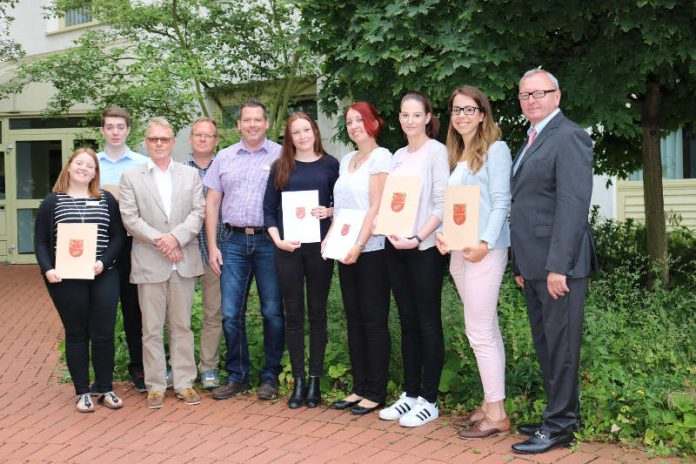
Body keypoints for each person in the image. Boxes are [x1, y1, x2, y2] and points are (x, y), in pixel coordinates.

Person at [509, 69, 597, 454]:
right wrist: (520, 265)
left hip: (559, 266)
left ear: (556, 97)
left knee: (562, 347)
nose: (531, 100)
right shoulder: (531, 139)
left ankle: (559, 426)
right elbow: (525, 206)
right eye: (525, 94)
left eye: (539, 93)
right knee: (547, 344)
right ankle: (561, 416)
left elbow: (571, 206)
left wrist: (558, 266)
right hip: (534, 265)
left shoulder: (570, 136)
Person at [435, 86, 512, 438]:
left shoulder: (496, 150)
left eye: (469, 109)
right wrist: (445, 236)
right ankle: (488, 403)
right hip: (460, 254)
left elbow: (501, 203)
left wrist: (485, 243)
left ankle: (497, 414)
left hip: (485, 252)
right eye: (455, 110)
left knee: (479, 332)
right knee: (486, 329)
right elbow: (459, 209)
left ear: (483, 113)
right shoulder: (459, 155)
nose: (461, 115)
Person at [119, 117, 205, 409]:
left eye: (164, 139)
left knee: (182, 326)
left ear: (172, 142)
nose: (159, 143)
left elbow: (197, 213)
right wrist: (162, 240)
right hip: (149, 261)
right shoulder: (132, 177)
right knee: (151, 329)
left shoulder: (190, 175)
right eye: (153, 139)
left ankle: (183, 383)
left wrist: (175, 239)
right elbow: (130, 219)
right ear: (145, 141)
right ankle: (155, 385)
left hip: (182, 260)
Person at [204, 101, 285, 401]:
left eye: (257, 120)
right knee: (229, 314)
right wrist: (213, 245)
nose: (252, 125)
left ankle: (270, 376)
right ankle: (238, 375)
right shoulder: (223, 158)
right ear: (238, 125)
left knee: (273, 311)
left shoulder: (281, 155)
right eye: (246, 120)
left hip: (269, 241)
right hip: (233, 242)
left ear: (266, 123)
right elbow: (212, 203)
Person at [35, 148, 125, 413]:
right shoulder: (53, 201)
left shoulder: (106, 199)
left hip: (102, 274)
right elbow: (40, 241)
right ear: (70, 166)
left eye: (90, 165)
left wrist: (103, 262)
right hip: (66, 277)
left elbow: (118, 237)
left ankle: (105, 387)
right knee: (76, 333)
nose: (84, 168)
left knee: (104, 332)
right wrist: (47, 269)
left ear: (95, 172)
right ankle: (82, 391)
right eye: (80, 163)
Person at [378, 92, 449, 427]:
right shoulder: (398, 155)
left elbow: (441, 204)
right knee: (406, 321)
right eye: (404, 115)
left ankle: (430, 400)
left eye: (416, 115)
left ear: (427, 117)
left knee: (428, 322)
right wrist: (391, 231)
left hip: (424, 249)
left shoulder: (436, 152)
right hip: (396, 246)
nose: (409, 121)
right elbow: (395, 201)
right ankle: (410, 395)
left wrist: (418, 237)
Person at [263, 112, 339, 409]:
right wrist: (277, 239)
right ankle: (298, 381)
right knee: (293, 316)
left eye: (307, 129)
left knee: (318, 315)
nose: (303, 136)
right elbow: (269, 210)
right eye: (296, 132)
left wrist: (329, 213)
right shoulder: (280, 166)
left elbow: (345, 205)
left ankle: (316, 381)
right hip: (288, 250)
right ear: (289, 137)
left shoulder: (331, 165)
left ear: (315, 131)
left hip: (320, 249)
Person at [325, 102, 391, 415]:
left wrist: (360, 244)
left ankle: (376, 391)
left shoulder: (381, 157)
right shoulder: (348, 159)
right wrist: (331, 237)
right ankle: (360, 386)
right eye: (349, 122)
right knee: (354, 319)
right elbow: (342, 208)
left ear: (373, 122)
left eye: (359, 120)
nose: (354, 126)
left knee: (373, 320)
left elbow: (376, 207)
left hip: (372, 250)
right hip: (345, 249)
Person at [96, 106, 148, 392]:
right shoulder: (91, 163)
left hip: (131, 244)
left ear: (128, 129)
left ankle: (138, 367)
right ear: (103, 130)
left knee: (133, 308)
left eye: (120, 127)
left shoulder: (141, 163)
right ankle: (101, 373)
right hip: (99, 245)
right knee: (100, 309)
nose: (115, 132)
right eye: (110, 127)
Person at [184, 117, 224, 390]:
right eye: (197, 135)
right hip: (184, 251)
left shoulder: (224, 167)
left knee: (214, 312)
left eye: (208, 136)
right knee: (179, 314)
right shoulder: (177, 171)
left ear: (216, 141)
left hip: (217, 250)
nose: (202, 139)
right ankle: (182, 368)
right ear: (190, 139)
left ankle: (208, 367)